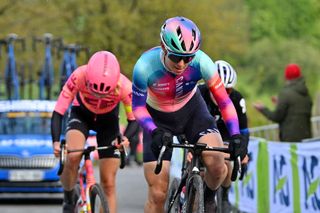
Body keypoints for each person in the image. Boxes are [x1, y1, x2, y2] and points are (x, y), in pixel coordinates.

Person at [131, 16, 247, 213]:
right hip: (157, 119)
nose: (182, 63)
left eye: (189, 57)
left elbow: (224, 101)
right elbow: (138, 108)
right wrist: (154, 130)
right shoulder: (145, 66)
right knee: (158, 194)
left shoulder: (203, 62)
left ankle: (208, 199)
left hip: (192, 112)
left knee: (218, 166)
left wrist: (236, 135)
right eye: (176, 57)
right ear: (163, 46)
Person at [51, 51, 140, 213]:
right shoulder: (79, 75)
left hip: (108, 121)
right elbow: (58, 111)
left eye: (104, 93)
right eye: (94, 91)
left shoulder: (125, 86)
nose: (98, 96)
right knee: (73, 156)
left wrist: (125, 138)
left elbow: (134, 120)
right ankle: (69, 194)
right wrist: (56, 141)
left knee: (108, 183)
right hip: (81, 115)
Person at [198, 60, 249, 212]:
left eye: (228, 91)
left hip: (225, 133)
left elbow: (244, 130)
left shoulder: (237, 99)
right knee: (199, 168)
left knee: (226, 164)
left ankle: (224, 196)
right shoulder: (199, 93)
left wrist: (243, 151)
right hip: (200, 130)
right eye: (219, 90)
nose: (223, 95)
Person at [253, 63, 312, 142]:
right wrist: (280, 102)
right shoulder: (306, 93)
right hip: (306, 139)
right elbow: (295, 109)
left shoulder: (285, 94)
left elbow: (276, 117)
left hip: (290, 141)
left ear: (286, 77)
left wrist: (263, 109)